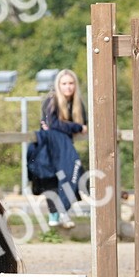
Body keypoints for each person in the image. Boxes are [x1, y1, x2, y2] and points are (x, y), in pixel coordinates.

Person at [37, 69, 86, 229]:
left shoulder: (77, 104)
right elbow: (53, 124)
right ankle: (55, 215)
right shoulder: (51, 101)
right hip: (49, 146)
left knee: (72, 174)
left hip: (64, 146)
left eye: (71, 83)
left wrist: (68, 126)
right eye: (64, 83)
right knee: (52, 178)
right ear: (58, 85)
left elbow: (85, 122)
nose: (68, 87)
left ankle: (63, 211)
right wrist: (76, 127)